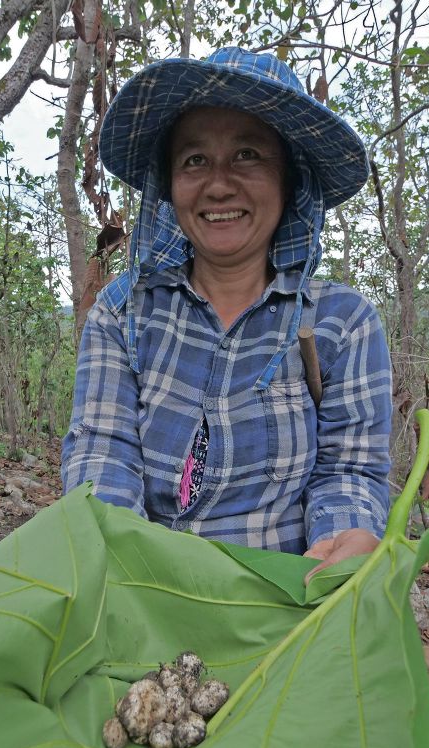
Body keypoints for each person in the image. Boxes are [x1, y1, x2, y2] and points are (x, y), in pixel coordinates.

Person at [61, 47, 392, 583]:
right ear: (169, 185)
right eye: (194, 160)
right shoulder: (124, 312)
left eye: (247, 155)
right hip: (143, 586)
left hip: (282, 596)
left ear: (288, 182)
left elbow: (348, 470)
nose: (218, 184)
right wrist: (131, 566)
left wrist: (343, 535)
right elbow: (102, 455)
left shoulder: (342, 322)